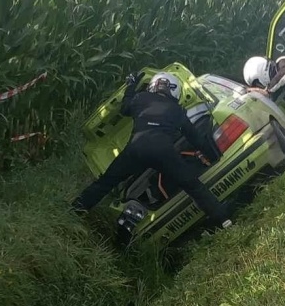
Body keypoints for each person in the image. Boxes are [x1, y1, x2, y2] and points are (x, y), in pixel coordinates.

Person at [72, 71, 233, 229]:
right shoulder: (177, 110)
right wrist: (212, 153)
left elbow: (125, 108)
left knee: (105, 182)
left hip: (136, 148)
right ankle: (223, 220)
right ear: (174, 90)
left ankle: (76, 210)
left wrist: (131, 85)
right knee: (194, 187)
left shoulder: (141, 98)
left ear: (153, 86)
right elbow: (195, 138)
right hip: (164, 152)